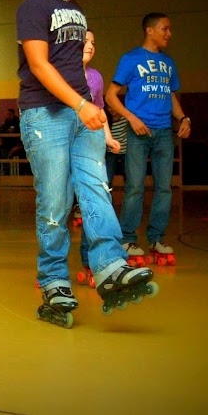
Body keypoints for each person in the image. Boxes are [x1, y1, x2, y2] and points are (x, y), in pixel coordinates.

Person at [16, 0, 157, 328]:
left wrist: (87, 107)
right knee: (56, 201)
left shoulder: (76, 10)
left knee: (96, 189)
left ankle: (110, 265)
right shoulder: (33, 6)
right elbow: (40, 66)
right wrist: (81, 105)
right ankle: (54, 281)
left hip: (82, 113)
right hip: (45, 114)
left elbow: (74, 67)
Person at [105, 13, 191, 265]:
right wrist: (131, 118)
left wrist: (183, 118)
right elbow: (111, 96)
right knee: (135, 187)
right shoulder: (130, 59)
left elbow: (171, 96)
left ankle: (156, 238)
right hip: (139, 132)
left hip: (164, 132)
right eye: (165, 28)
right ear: (150, 30)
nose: (169, 34)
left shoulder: (169, 63)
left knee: (164, 188)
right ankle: (128, 238)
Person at [75, 29, 121, 283]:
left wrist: (108, 137)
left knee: (96, 199)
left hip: (90, 142)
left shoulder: (96, 77)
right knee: (59, 204)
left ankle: (93, 260)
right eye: (85, 41)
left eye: (93, 42)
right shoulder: (61, 75)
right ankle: (52, 268)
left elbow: (99, 111)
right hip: (64, 143)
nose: (90, 46)